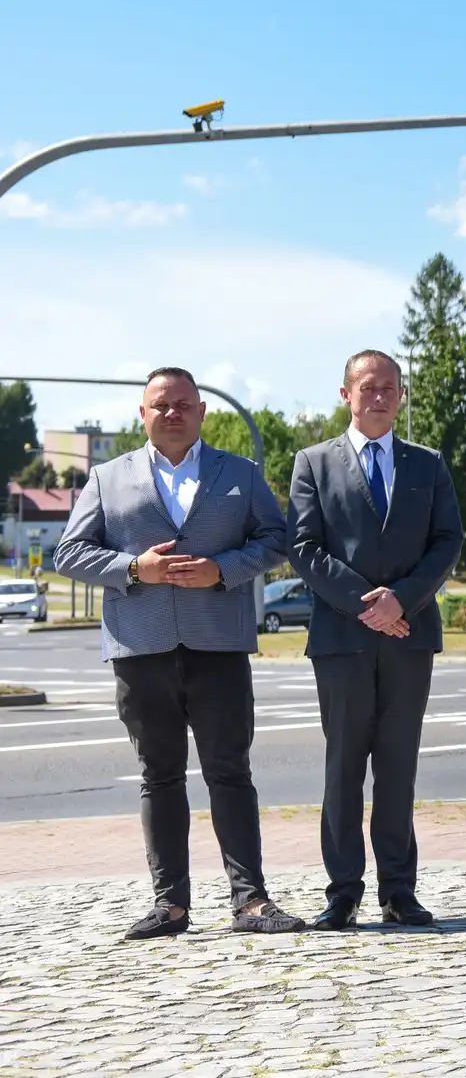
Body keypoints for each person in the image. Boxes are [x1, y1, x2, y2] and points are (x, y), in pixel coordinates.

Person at [52, 366, 301, 939]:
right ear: (142, 414)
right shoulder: (107, 478)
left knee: (230, 773)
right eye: (160, 405)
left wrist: (222, 570)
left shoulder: (240, 474)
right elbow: (69, 553)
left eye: (183, 403)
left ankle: (251, 902)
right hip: (140, 649)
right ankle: (170, 906)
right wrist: (135, 568)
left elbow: (276, 539)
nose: (172, 413)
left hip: (219, 644)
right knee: (159, 775)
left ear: (201, 412)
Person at [289, 350, 463, 929]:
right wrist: (370, 604)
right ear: (346, 395)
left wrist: (401, 601)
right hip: (342, 640)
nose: (380, 396)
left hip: (409, 636)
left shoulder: (427, 463)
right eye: (368, 387)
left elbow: (447, 541)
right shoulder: (313, 463)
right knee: (343, 767)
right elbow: (305, 549)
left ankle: (398, 890)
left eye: (390, 387)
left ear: (401, 395)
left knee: (397, 766)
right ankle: (342, 892)